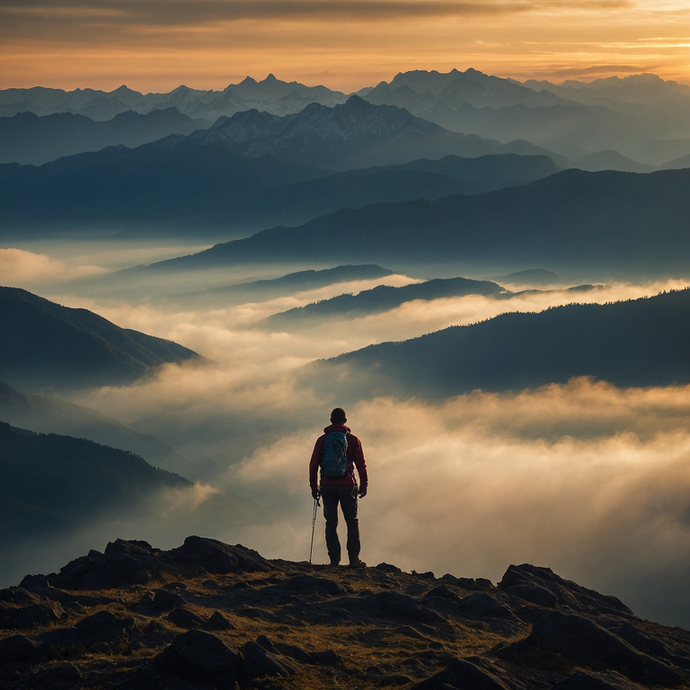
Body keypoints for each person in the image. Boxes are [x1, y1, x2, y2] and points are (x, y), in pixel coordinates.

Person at [309, 407, 368, 567]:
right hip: (347, 485)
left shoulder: (322, 440)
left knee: (331, 522)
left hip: (327, 486)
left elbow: (314, 464)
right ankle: (354, 560)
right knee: (352, 521)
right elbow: (361, 464)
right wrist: (364, 484)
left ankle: (334, 560)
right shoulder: (353, 440)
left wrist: (314, 487)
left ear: (330, 420)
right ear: (345, 421)